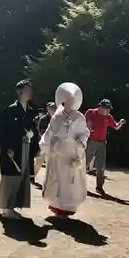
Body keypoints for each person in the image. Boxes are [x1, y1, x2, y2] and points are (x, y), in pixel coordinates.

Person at [39, 82, 90, 217]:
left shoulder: (79, 117)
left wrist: (81, 140)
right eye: (68, 100)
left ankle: (69, 205)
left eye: (72, 100)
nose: (70, 103)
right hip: (59, 153)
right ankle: (57, 205)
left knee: (71, 179)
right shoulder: (57, 117)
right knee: (58, 179)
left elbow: (85, 132)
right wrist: (48, 146)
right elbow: (50, 133)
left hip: (73, 151)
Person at [0, 79, 38, 219]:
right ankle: (7, 209)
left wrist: (33, 138)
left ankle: (13, 206)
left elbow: (33, 128)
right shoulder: (10, 110)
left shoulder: (31, 111)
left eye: (30, 89)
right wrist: (6, 148)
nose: (30, 92)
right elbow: (4, 131)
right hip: (12, 149)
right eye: (27, 89)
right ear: (20, 92)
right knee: (11, 177)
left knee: (21, 176)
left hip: (25, 148)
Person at [85, 99, 125, 195]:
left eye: (109, 109)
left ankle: (99, 187)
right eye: (107, 109)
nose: (108, 111)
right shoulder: (91, 112)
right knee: (84, 164)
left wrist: (120, 123)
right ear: (100, 107)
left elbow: (115, 127)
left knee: (101, 166)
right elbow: (86, 122)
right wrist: (89, 127)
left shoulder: (108, 116)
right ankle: (76, 183)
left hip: (102, 143)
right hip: (91, 142)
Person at [34, 102, 57, 177]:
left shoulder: (57, 119)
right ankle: (32, 176)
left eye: (54, 108)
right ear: (48, 109)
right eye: (51, 108)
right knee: (39, 162)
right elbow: (40, 132)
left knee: (50, 164)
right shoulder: (43, 119)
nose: (53, 109)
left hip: (53, 146)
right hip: (43, 144)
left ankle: (47, 181)